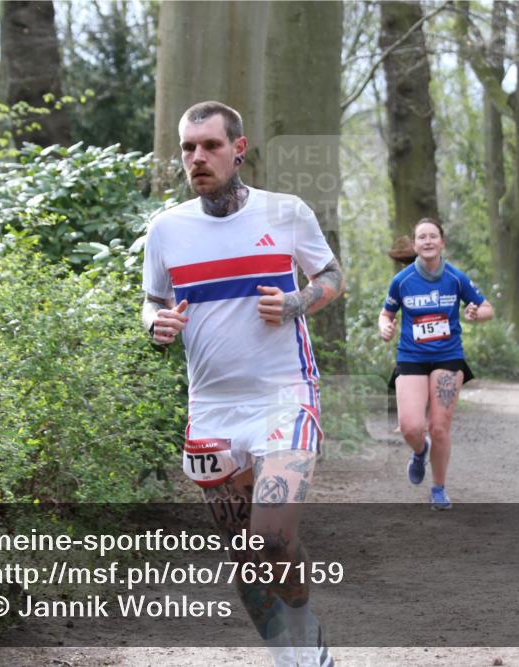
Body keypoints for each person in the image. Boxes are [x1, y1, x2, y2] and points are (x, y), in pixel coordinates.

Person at [142, 101, 344, 665]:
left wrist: (298, 301)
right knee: (248, 559)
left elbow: (331, 275)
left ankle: (305, 630)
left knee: (274, 539)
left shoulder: (285, 213)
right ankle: (290, 657)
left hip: (285, 395)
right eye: (187, 148)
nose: (197, 157)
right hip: (210, 408)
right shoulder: (166, 230)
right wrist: (155, 322)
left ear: (239, 148)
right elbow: (152, 301)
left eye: (209, 145)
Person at [378, 218, 494, 510]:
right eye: (422, 237)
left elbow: (487, 308)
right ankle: (420, 451)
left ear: (442, 242)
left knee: (439, 426)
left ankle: (439, 488)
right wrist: (385, 328)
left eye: (433, 236)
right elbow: (386, 314)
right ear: (415, 245)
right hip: (412, 357)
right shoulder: (402, 280)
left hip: (448, 357)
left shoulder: (456, 278)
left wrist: (475, 314)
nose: (427, 241)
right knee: (410, 427)